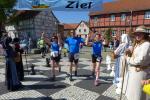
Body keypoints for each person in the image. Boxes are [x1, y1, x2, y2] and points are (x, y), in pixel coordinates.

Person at [124, 26, 150, 100]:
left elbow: (140, 60)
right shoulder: (138, 44)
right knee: (132, 93)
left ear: (144, 34)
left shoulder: (146, 44)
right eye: (136, 34)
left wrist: (128, 59)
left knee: (137, 94)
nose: (137, 35)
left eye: (140, 34)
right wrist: (129, 51)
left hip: (140, 73)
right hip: (134, 73)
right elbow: (133, 50)